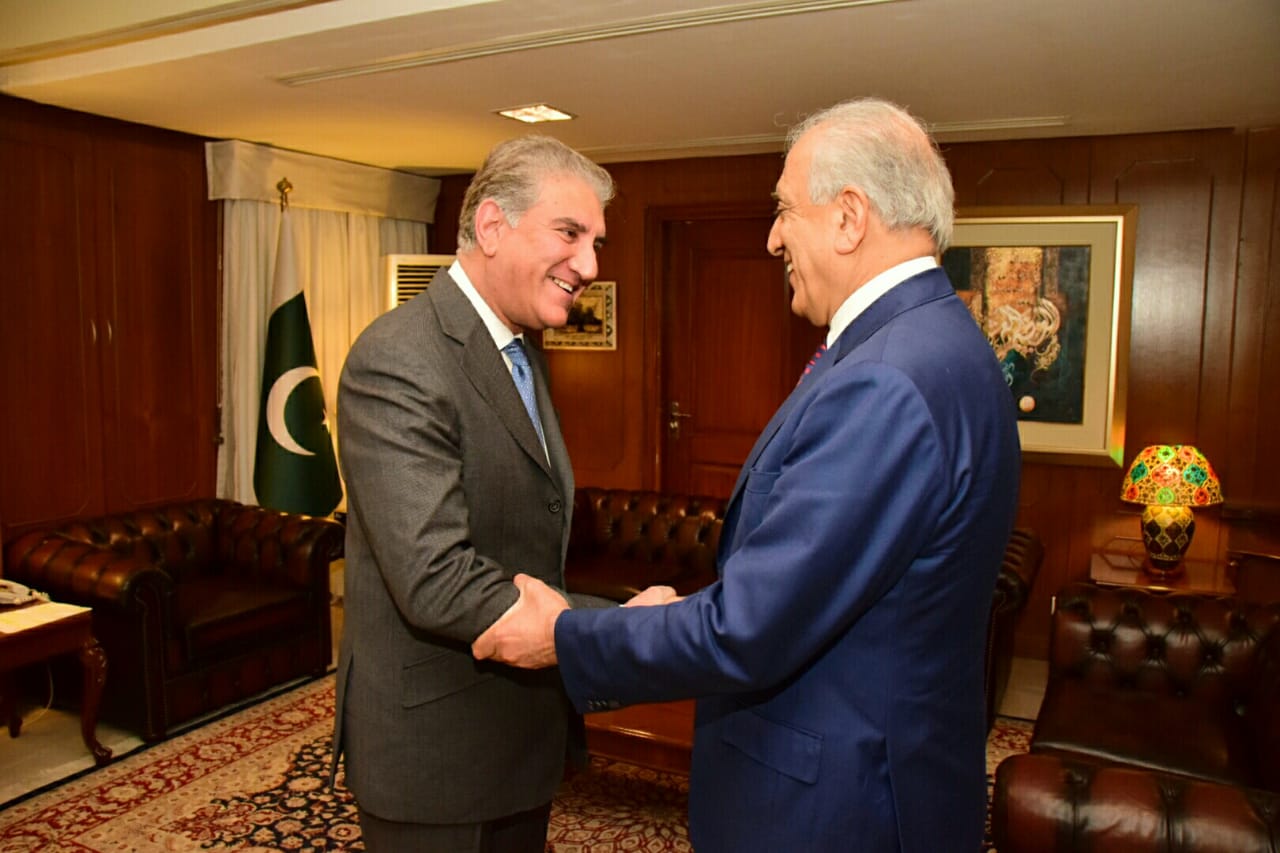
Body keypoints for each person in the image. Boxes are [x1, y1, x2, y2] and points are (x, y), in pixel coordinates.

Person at [472, 98, 1022, 852]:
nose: (772, 240)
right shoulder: (940, 341)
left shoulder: (888, 377)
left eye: (783, 210)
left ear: (849, 217)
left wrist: (569, 635)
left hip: (835, 807)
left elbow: (753, 628)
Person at [331, 134, 620, 852]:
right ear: (492, 226)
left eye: (596, 241)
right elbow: (434, 576)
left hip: (517, 741)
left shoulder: (522, 346)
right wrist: (614, 628)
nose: (588, 265)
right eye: (570, 233)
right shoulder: (399, 357)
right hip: (436, 761)